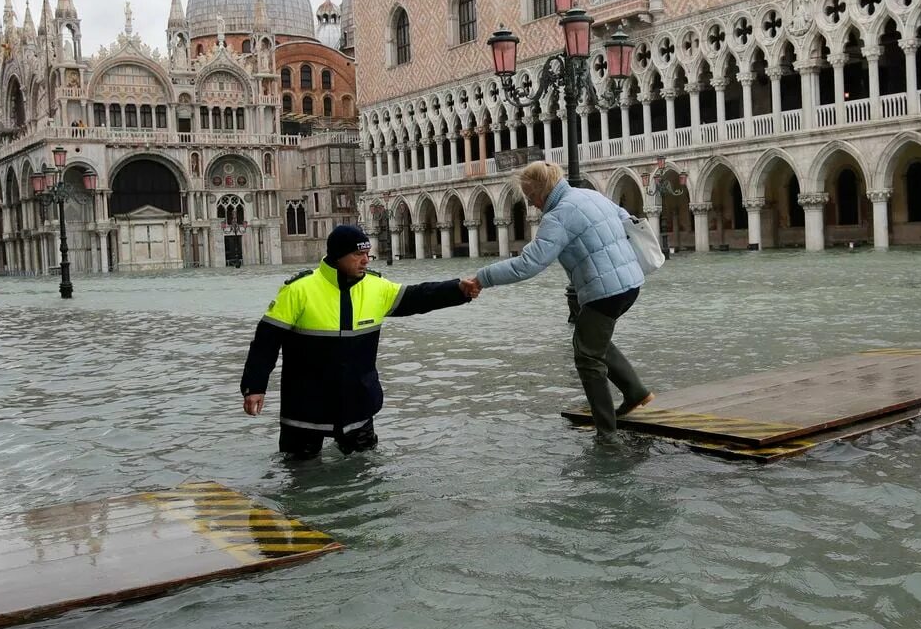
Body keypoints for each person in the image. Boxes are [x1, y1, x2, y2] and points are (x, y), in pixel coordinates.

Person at [241, 224, 480, 458]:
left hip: (358, 405)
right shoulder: (298, 290)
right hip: (306, 407)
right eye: (358, 254)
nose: (366, 260)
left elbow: (420, 296)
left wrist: (458, 289)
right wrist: (255, 387)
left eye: (367, 254)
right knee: (299, 480)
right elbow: (266, 342)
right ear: (337, 256)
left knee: (365, 476)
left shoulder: (377, 287)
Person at [466, 161, 653, 436]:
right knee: (592, 339)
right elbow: (626, 218)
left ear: (541, 190)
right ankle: (635, 392)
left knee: (587, 356)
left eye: (530, 197)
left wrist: (482, 277)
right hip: (630, 283)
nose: (532, 205)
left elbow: (528, 264)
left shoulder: (558, 216)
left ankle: (606, 433)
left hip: (606, 291)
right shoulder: (590, 195)